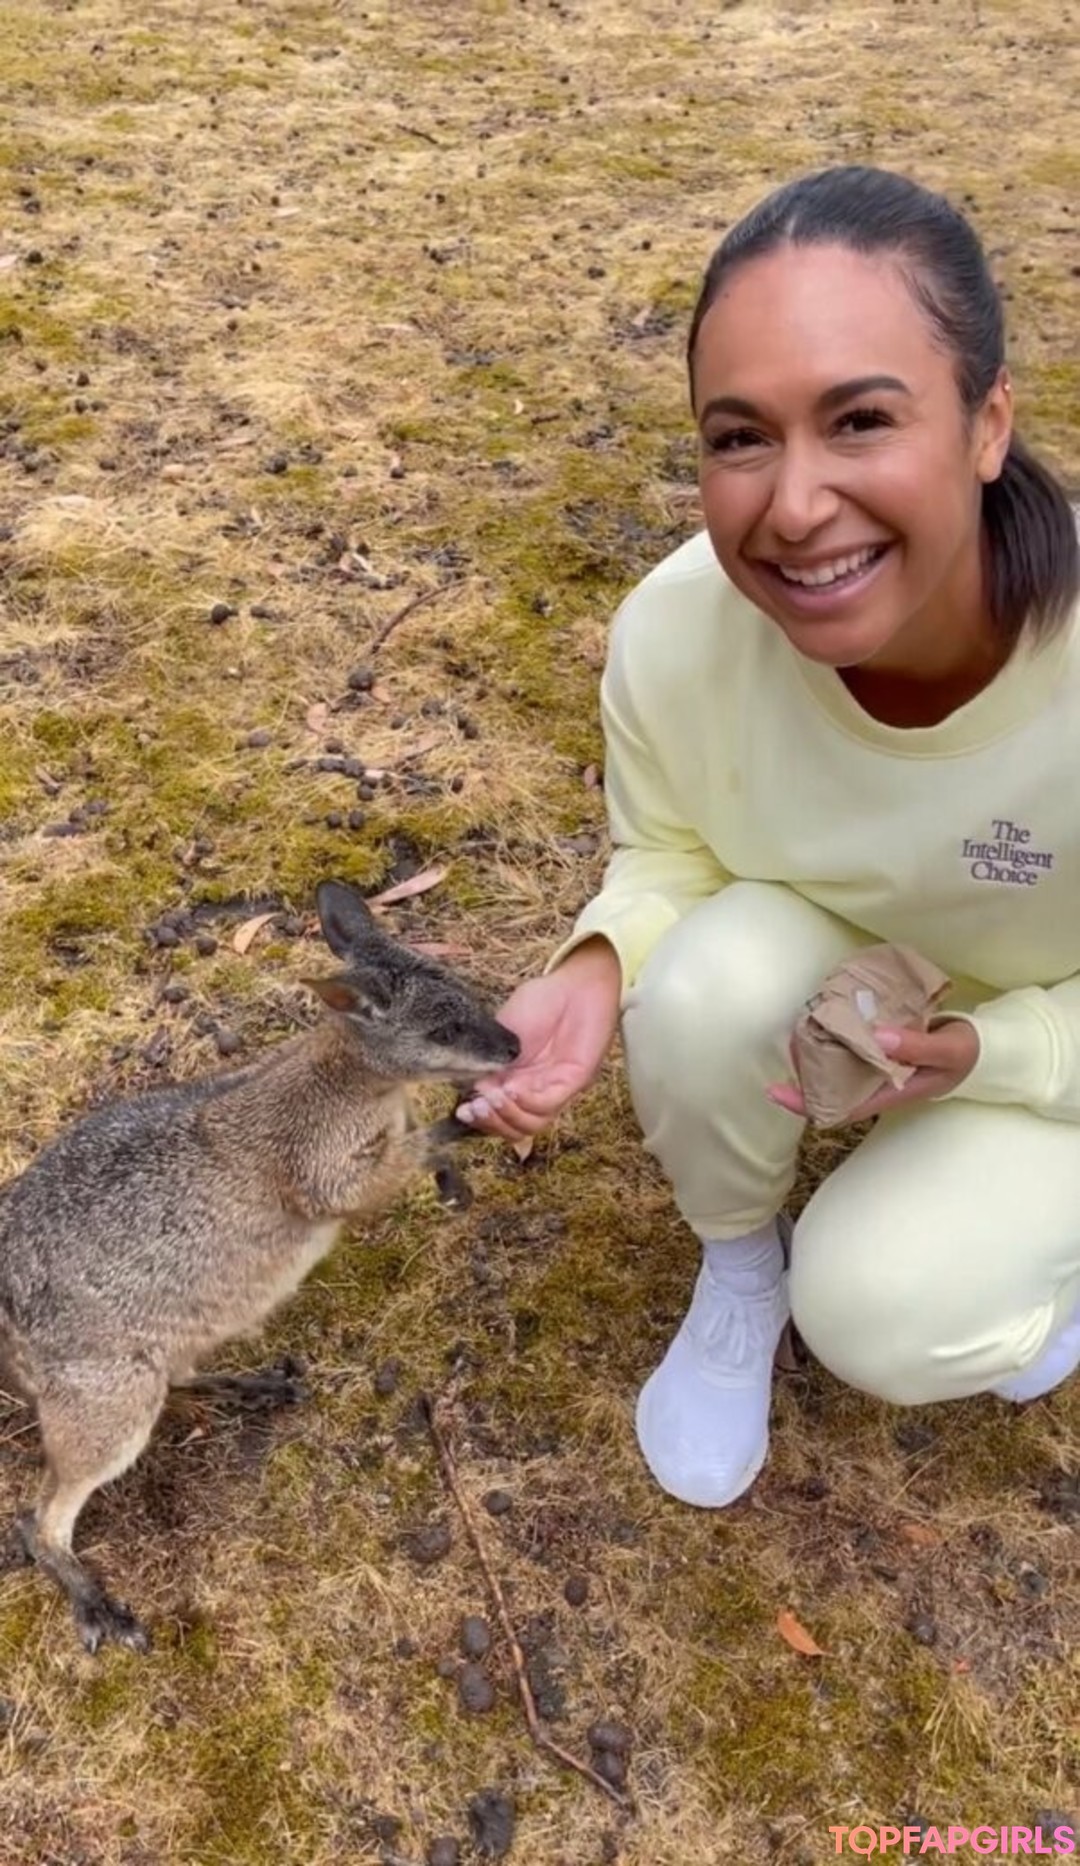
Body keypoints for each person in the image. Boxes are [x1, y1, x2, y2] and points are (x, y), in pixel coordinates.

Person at [455, 165, 1080, 1510]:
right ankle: (743, 1265)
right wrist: (600, 963)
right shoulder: (679, 632)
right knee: (697, 991)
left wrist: (1000, 1054)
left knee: (888, 1311)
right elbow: (673, 852)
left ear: (987, 424)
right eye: (739, 438)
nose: (793, 507)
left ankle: (1037, 1257)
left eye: (861, 419)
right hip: (871, 955)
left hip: (1055, 1030)